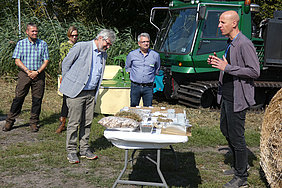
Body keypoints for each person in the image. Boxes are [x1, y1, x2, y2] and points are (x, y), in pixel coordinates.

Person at [207, 11, 260, 187]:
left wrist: (227, 67)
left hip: (238, 98)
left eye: (222, 22)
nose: (219, 25)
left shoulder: (244, 44)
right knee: (226, 130)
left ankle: (241, 177)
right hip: (227, 96)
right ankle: (239, 165)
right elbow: (229, 66)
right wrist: (218, 63)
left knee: (237, 137)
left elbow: (254, 72)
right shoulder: (230, 43)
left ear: (234, 24)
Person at [59, 29, 116, 164]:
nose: (107, 47)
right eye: (107, 44)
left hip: (91, 93)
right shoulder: (81, 47)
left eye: (109, 46)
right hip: (76, 92)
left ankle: (84, 149)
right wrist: (69, 82)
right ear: (101, 38)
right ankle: (72, 151)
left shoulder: (103, 55)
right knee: (74, 122)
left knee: (88, 122)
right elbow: (66, 64)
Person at [3, 23, 49, 132]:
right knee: (19, 98)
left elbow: (46, 60)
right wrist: (28, 71)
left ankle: (34, 122)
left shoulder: (43, 44)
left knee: (37, 100)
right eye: (32, 31)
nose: (35, 33)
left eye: (36, 31)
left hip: (39, 74)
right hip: (25, 74)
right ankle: (10, 121)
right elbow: (17, 60)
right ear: (27, 32)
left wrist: (37, 72)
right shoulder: (21, 44)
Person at [125, 33, 160, 107]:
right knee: (134, 107)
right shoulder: (132, 54)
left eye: (147, 41)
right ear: (139, 43)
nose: (146, 43)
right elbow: (128, 67)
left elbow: (157, 69)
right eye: (143, 42)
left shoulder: (155, 55)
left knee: (148, 108)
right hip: (135, 86)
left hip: (148, 87)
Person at [56, 26, 78, 133]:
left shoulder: (78, 46)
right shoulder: (64, 45)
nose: (74, 37)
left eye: (76, 35)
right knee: (66, 100)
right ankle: (62, 122)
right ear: (69, 35)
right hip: (68, 74)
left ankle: (74, 122)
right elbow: (65, 60)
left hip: (77, 75)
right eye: (72, 35)